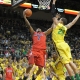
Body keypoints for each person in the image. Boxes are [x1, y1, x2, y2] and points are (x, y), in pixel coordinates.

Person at [51, 0, 80, 80]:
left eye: (60, 19)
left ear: (61, 21)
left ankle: (73, 79)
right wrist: (78, 16)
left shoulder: (58, 25)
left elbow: (53, 13)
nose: (58, 20)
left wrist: (53, 3)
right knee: (71, 62)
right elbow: (72, 23)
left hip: (60, 45)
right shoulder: (65, 27)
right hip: (65, 45)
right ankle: (78, 77)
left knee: (66, 64)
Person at [23, 10, 53, 80]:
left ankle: (35, 76)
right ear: (36, 30)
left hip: (42, 52)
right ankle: (26, 75)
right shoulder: (34, 33)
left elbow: (51, 28)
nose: (38, 28)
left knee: (40, 68)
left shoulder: (44, 33)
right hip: (34, 50)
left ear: (41, 30)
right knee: (30, 65)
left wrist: (55, 21)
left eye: (40, 28)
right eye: (37, 28)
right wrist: (25, 18)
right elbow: (29, 25)